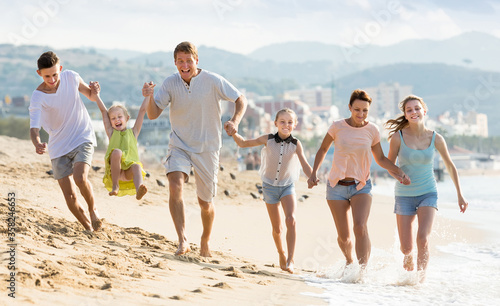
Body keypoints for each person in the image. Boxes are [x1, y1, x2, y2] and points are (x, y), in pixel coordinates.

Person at [143, 41, 247, 257]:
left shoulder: (211, 80)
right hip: (180, 144)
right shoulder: (170, 83)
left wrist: (235, 120)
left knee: (205, 203)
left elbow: (240, 99)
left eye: (188, 60)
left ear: (196, 61)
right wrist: (148, 97)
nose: (185, 65)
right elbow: (153, 114)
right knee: (174, 184)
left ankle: (205, 240)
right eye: (180, 61)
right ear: (175, 63)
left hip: (207, 147)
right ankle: (182, 240)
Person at [307, 89, 410, 271]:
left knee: (360, 227)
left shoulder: (372, 130)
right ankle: (349, 261)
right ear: (349, 107)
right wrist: (313, 173)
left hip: (361, 185)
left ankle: (362, 272)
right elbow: (323, 149)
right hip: (336, 186)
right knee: (344, 237)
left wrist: (399, 172)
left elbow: (380, 159)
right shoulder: (337, 126)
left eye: (365, 111)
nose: (361, 114)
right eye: (357, 110)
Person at [385, 95, 468, 281]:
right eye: (409, 110)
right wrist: (400, 175)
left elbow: (450, 166)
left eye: (417, 108)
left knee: (423, 238)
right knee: (406, 248)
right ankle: (408, 258)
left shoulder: (436, 138)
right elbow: (388, 165)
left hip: (428, 193)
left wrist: (460, 195)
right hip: (404, 195)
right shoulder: (397, 138)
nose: (414, 112)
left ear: (424, 110)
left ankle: (420, 282)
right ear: (405, 115)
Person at [232, 108, 313, 274]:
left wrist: (312, 176)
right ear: (275, 123)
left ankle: (290, 260)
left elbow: (304, 164)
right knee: (277, 229)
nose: (286, 125)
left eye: (290, 122)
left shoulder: (296, 144)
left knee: (291, 220)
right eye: (282, 121)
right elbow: (243, 143)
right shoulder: (267, 139)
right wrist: (233, 132)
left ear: (295, 125)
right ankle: (281, 252)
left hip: (287, 186)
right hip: (268, 186)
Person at [29, 51, 103, 231]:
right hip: (58, 146)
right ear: (39, 73)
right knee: (69, 196)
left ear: (60, 69)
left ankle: (93, 211)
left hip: (81, 136)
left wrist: (95, 91)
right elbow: (34, 128)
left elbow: (91, 96)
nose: (52, 79)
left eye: (55, 74)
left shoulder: (71, 77)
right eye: (47, 76)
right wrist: (37, 143)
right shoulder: (38, 96)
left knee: (80, 177)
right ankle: (88, 228)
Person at [94, 91, 149, 200]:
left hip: (128, 173)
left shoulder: (133, 132)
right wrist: (96, 95)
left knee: (137, 166)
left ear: (127, 118)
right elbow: (104, 111)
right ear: (110, 122)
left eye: (120, 116)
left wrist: (148, 95)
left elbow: (142, 111)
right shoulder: (111, 132)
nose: (117, 120)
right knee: (117, 152)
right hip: (116, 173)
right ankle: (115, 186)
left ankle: (139, 190)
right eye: (113, 118)